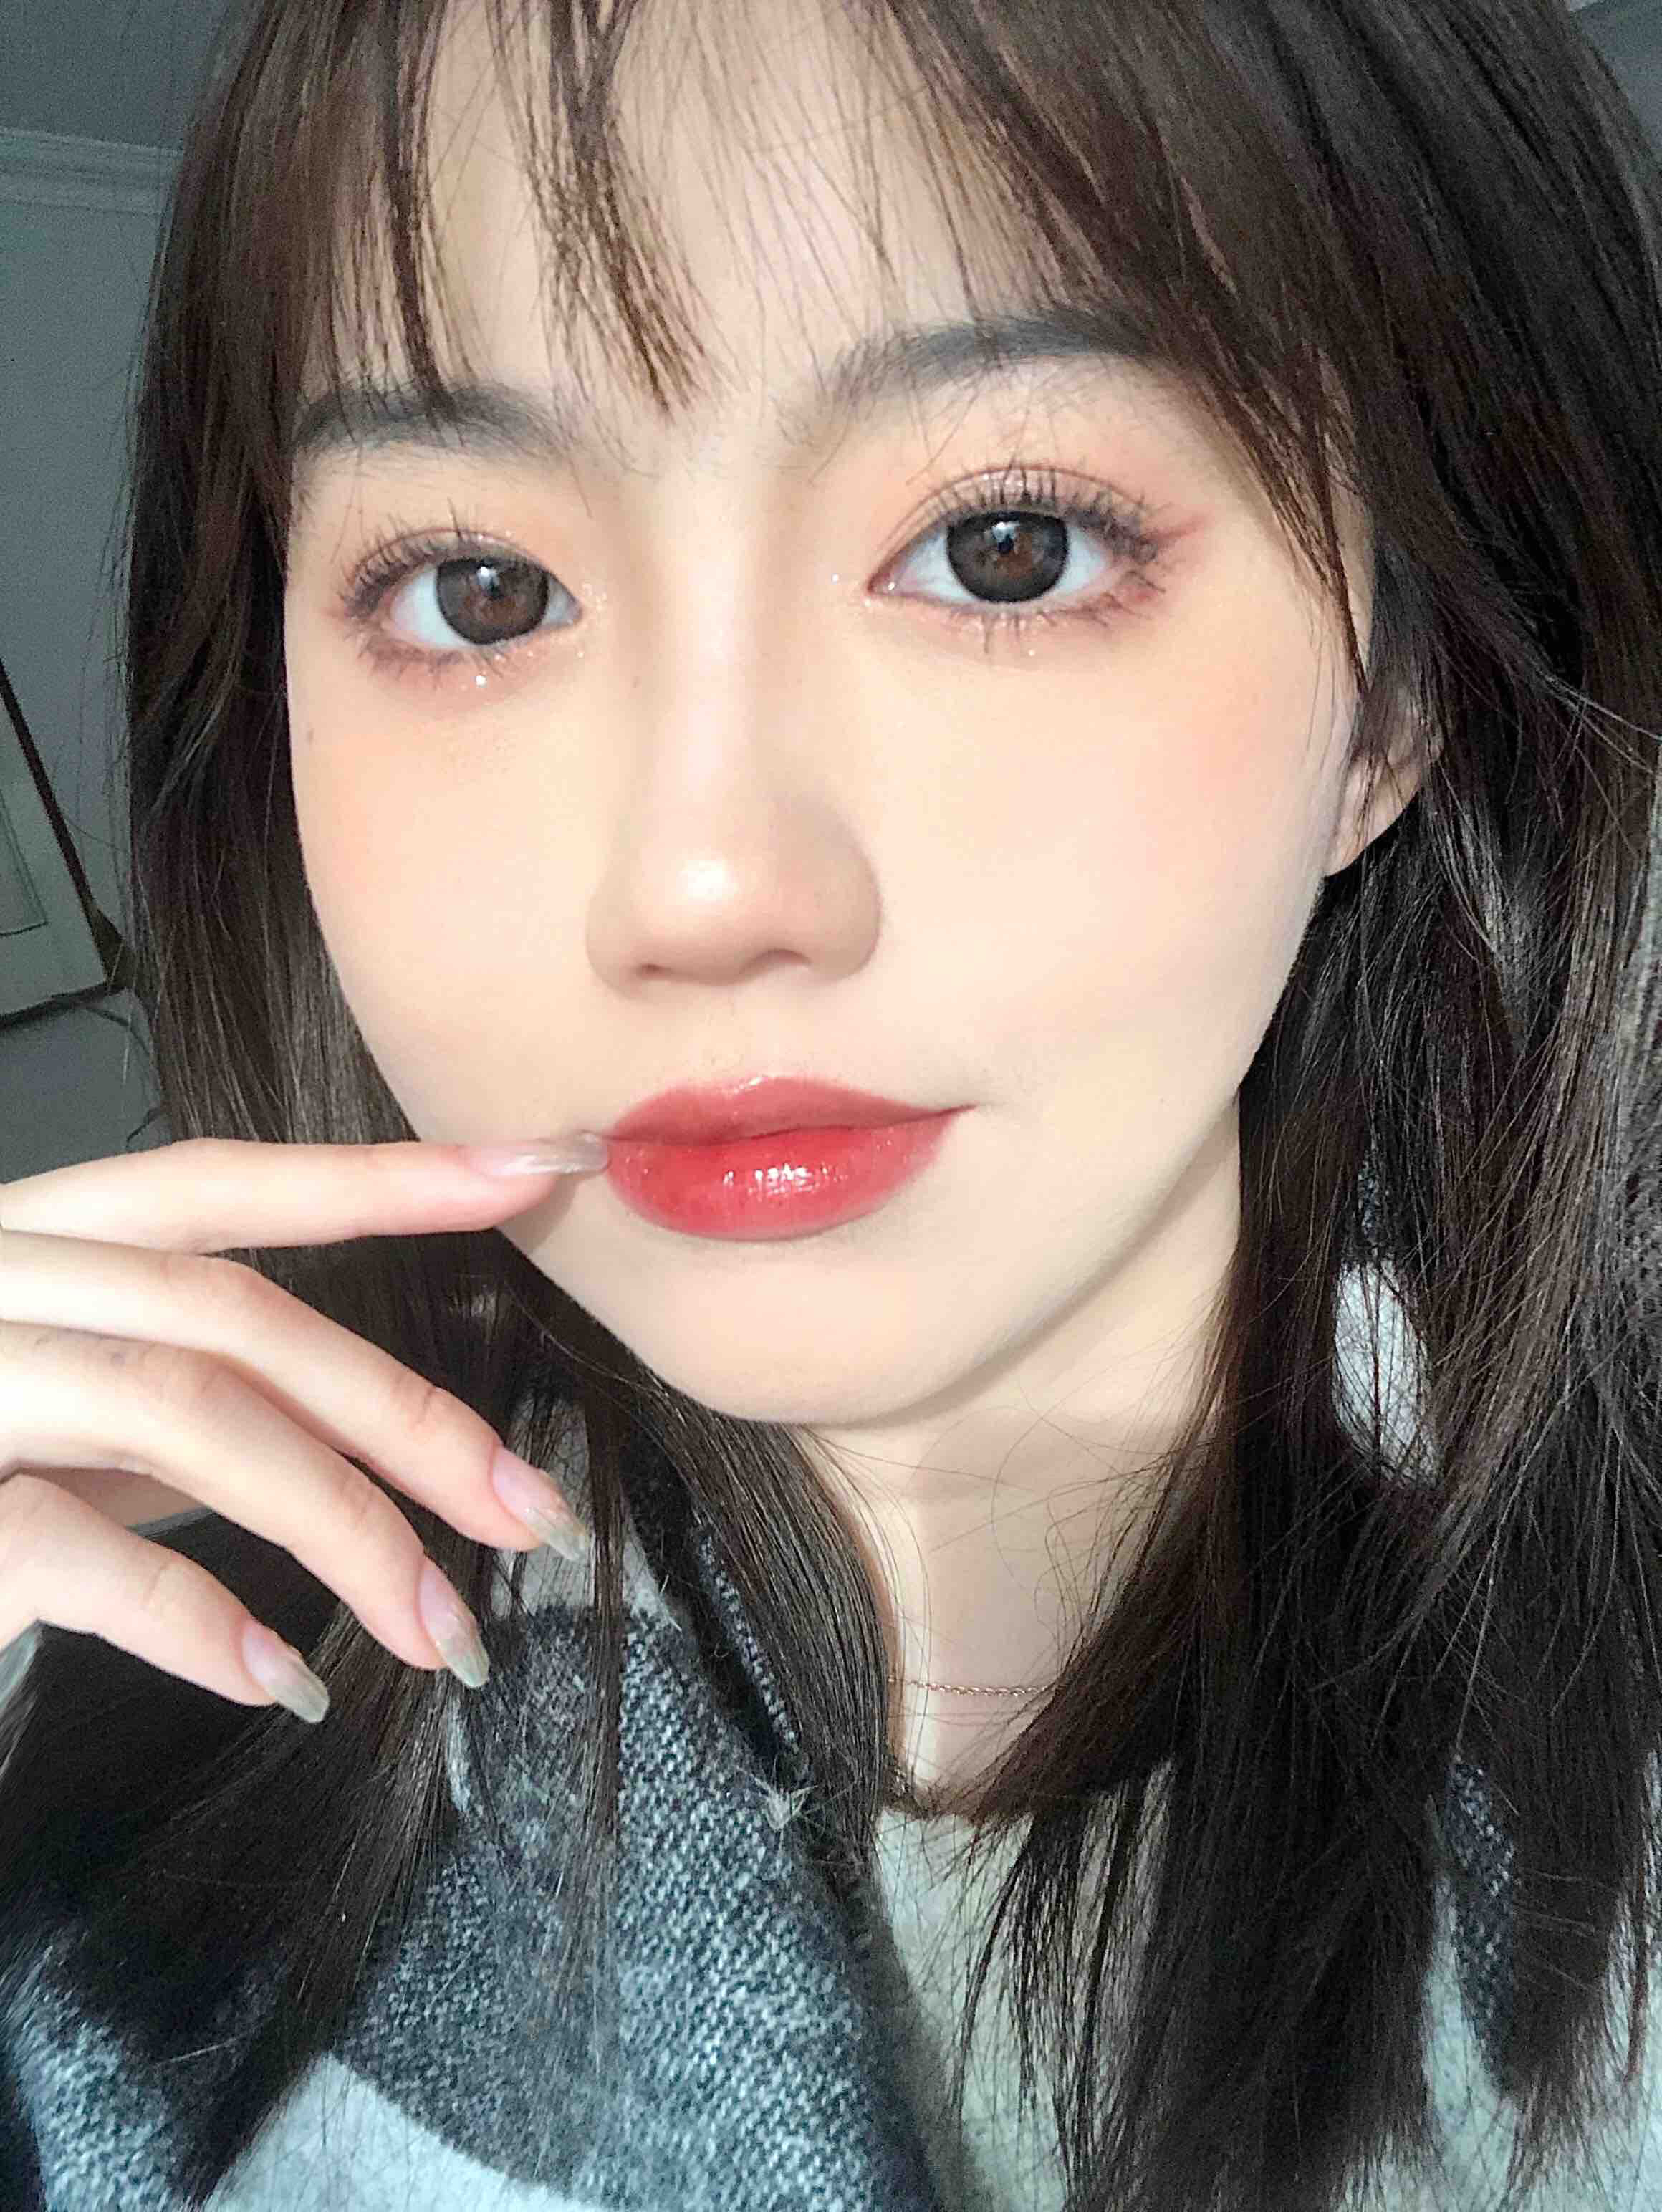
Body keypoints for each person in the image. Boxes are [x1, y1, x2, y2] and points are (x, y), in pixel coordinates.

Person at [0, 0, 1658, 2203]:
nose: (703, 889)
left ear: (1396, 704)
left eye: (1009, 547)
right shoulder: (106, 1647)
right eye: (481, 592)